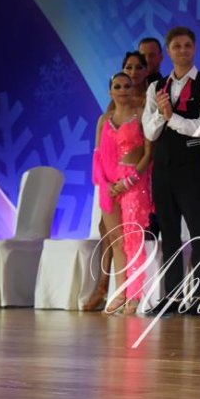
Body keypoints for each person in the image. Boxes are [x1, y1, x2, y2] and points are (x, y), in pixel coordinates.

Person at [143, 26, 200, 316]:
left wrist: (171, 116)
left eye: (187, 45)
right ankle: (173, 297)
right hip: (163, 170)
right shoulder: (156, 87)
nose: (183, 50)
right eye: (177, 46)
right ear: (168, 51)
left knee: (199, 234)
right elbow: (149, 131)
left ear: (194, 48)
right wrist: (161, 116)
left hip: (191, 171)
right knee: (169, 235)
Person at [83, 51, 153, 312]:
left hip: (134, 182)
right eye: (117, 86)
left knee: (133, 237)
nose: (123, 90)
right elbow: (97, 156)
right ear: (110, 91)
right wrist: (106, 184)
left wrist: (131, 180)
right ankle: (121, 291)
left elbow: (149, 154)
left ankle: (135, 294)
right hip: (109, 186)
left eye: (126, 86)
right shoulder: (104, 120)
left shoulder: (141, 114)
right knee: (116, 240)